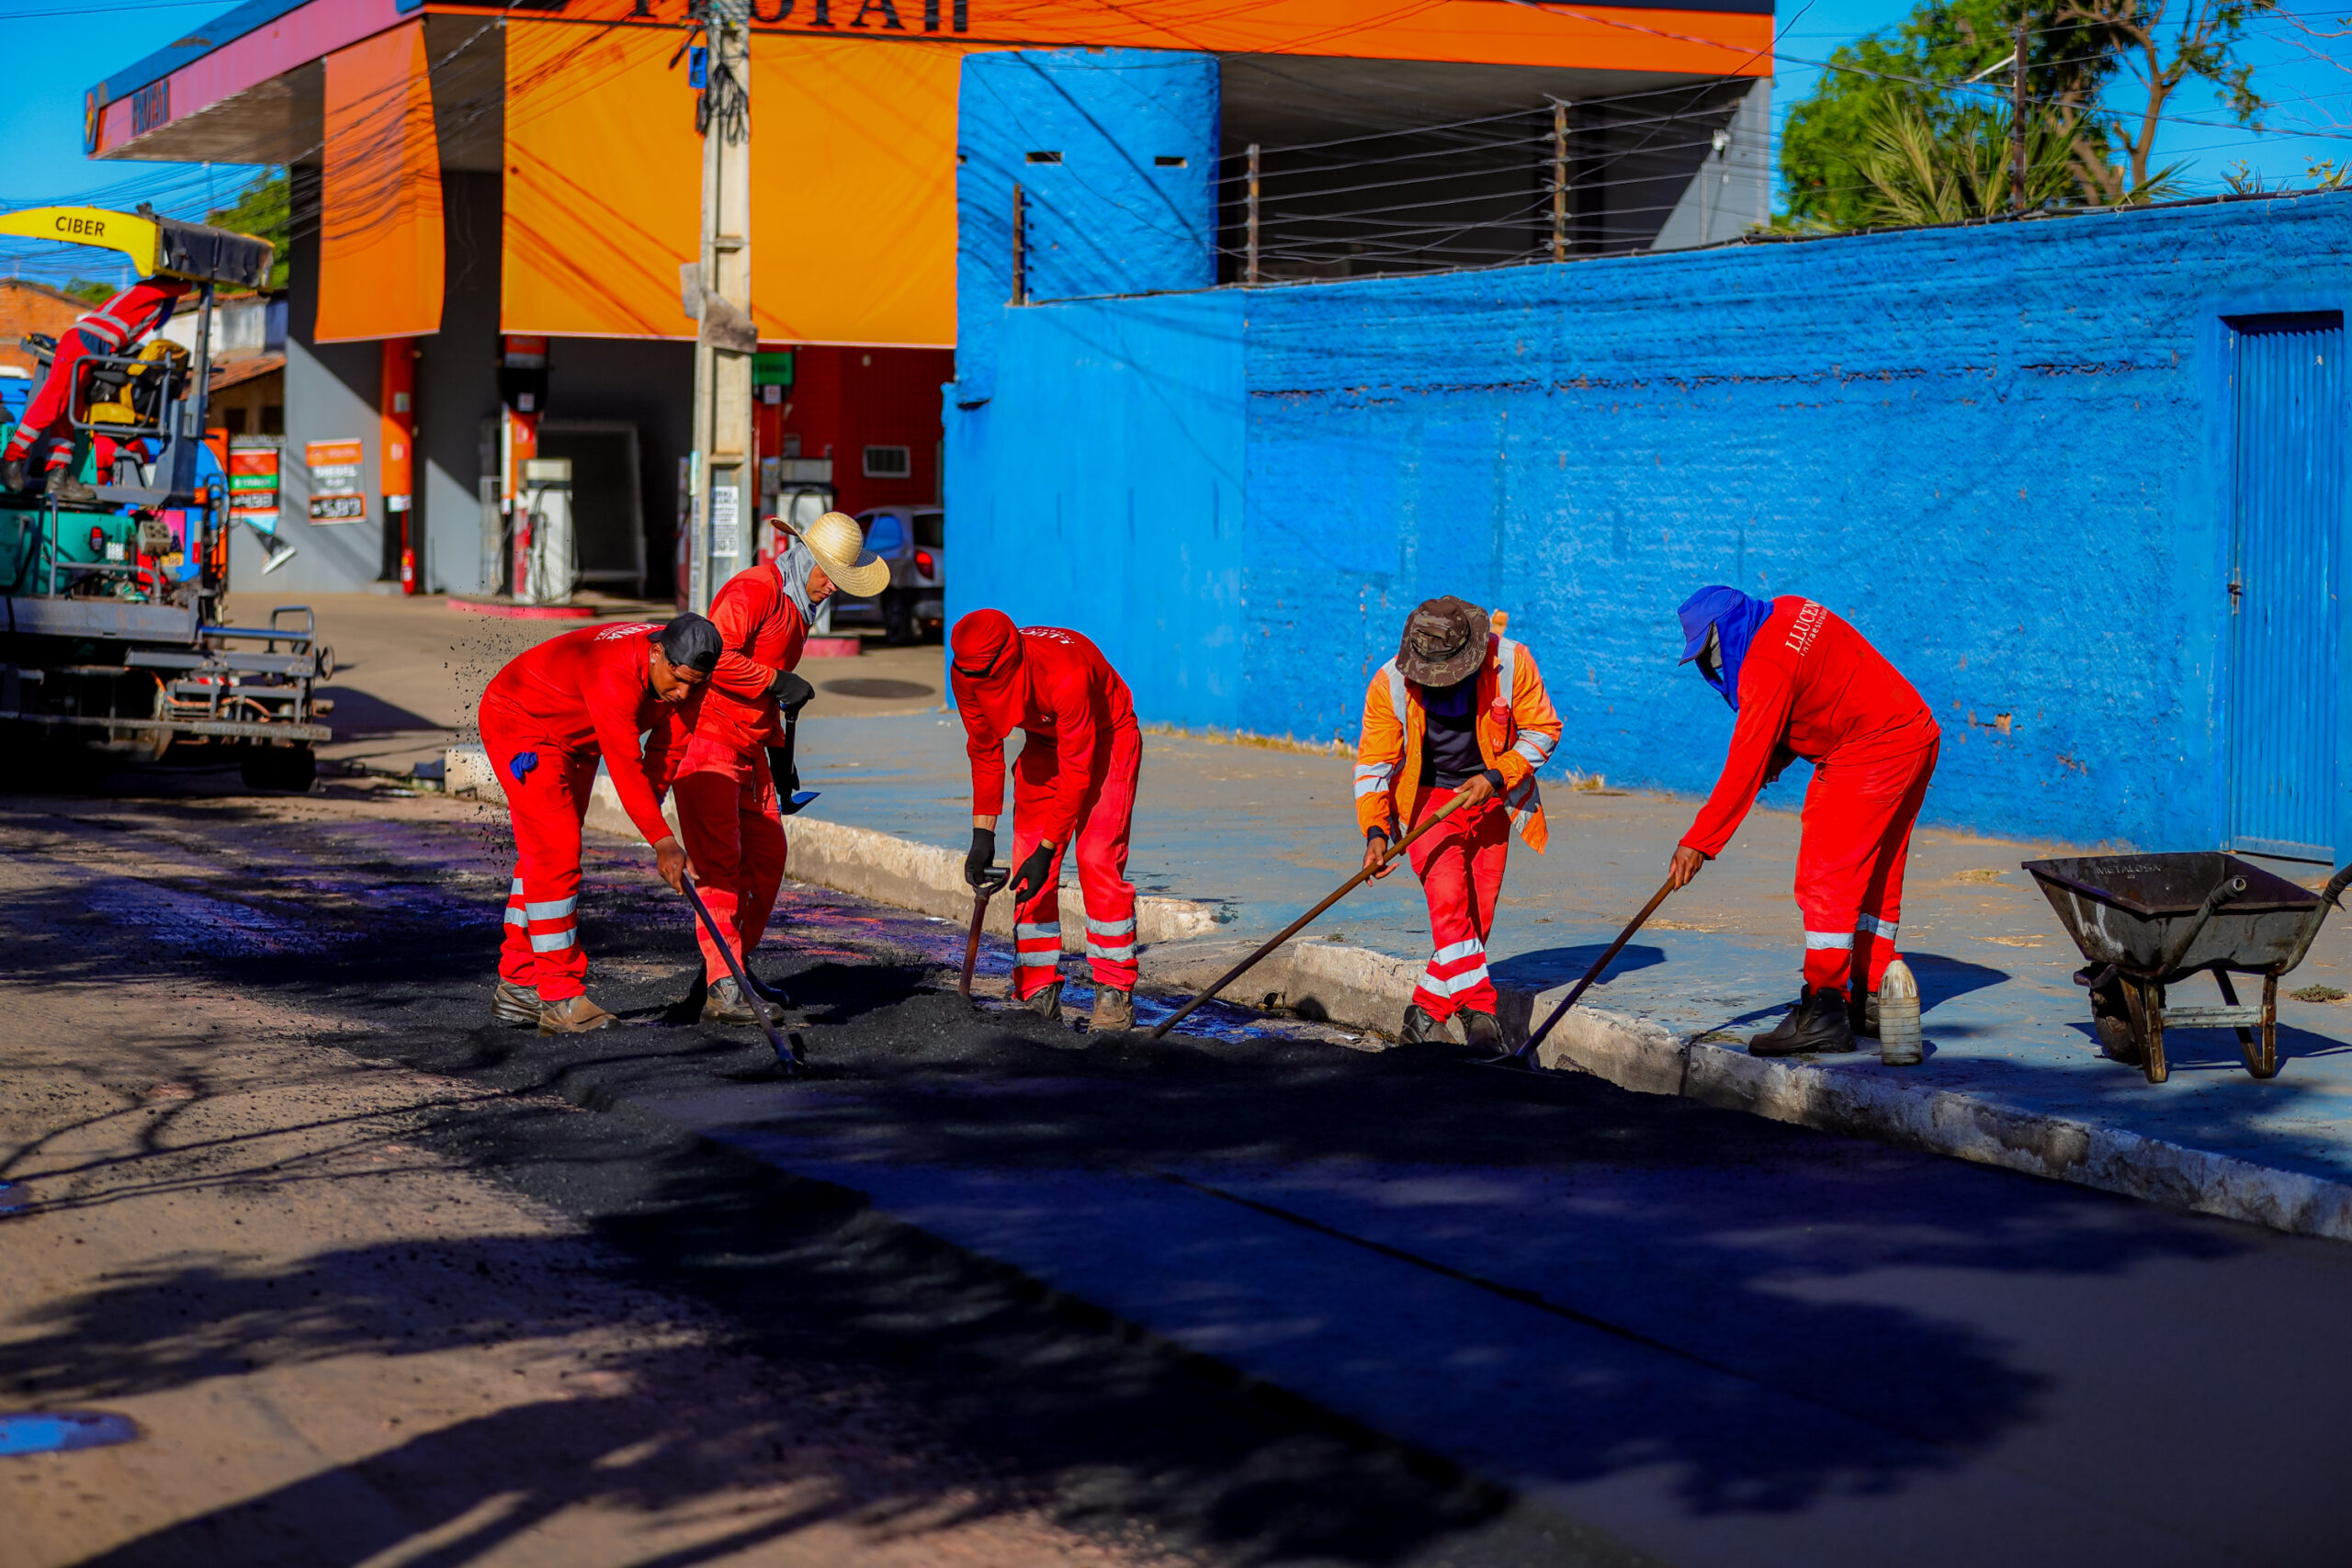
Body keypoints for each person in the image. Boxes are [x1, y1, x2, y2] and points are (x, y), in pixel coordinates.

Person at [1668, 587, 1940, 1055]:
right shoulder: (1790, 608)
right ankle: (1876, 995)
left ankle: (1823, 1008)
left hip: (1868, 752)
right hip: (1914, 734)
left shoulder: (1761, 671)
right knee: (1877, 874)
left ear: (1722, 635)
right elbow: (1821, 685)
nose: (1710, 668)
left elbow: (1742, 769)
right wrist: (1785, 748)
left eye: (1708, 655)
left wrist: (1699, 842)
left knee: (1825, 878)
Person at [676, 510, 886, 1022]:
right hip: (708, 743)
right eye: (830, 576)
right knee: (721, 865)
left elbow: (764, 686)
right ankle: (725, 988)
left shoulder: (797, 604)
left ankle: (731, 968)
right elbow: (711, 658)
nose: (833, 588)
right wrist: (775, 681)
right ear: (807, 557)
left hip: (750, 750)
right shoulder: (754, 591)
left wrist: (778, 755)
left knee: (766, 857)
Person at [477, 614, 718, 1033]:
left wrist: (653, 817)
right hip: (521, 723)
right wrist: (662, 840)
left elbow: (667, 750)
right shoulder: (614, 674)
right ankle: (560, 996)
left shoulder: (690, 674)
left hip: (575, 738)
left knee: (546, 853)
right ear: (657, 652)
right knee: (555, 853)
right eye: (676, 681)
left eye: (693, 685)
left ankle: (519, 982)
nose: (683, 694)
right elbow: (626, 767)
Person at [1354, 597, 1563, 1050]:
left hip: (1491, 797)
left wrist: (1495, 776)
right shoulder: (1389, 683)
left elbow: (1543, 731)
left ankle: (1424, 1013)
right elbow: (1375, 765)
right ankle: (1482, 1018)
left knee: (1475, 918)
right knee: (1450, 904)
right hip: (1426, 803)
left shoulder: (1511, 662)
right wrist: (1376, 831)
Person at [951, 610, 1142, 1031]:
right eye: (972, 678)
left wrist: (1049, 847)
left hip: (1107, 736)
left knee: (1095, 857)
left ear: (1009, 662)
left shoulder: (1066, 674)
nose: (979, 685)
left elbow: (1076, 771)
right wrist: (982, 834)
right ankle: (1038, 991)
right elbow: (984, 750)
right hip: (1043, 739)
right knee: (1027, 867)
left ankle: (1114, 991)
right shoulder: (966, 671)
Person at [2, 276, 192, 503]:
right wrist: (202, 279)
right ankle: (12, 458)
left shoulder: (152, 305)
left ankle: (58, 475)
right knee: (53, 403)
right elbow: (178, 285)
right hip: (83, 342)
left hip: (92, 348)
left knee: (69, 413)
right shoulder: (152, 289)